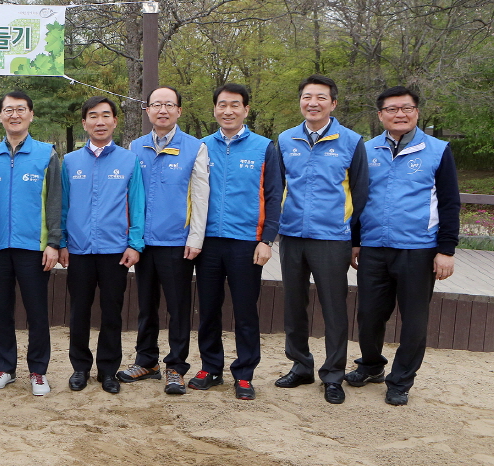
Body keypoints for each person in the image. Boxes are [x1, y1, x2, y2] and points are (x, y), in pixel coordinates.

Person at [346, 86, 460, 406]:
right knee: (368, 314)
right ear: (381, 115)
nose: (401, 114)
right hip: (373, 247)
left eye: (407, 108)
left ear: (417, 112)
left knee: (413, 319)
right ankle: (370, 366)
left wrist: (446, 250)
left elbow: (450, 203)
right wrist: (355, 242)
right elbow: (357, 199)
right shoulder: (366, 150)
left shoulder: (438, 150)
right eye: (393, 109)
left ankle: (401, 381)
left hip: (418, 249)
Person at [275, 74, 368, 405]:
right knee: (293, 306)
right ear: (300, 101)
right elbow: (275, 189)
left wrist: (356, 240)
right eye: (306, 97)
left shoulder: (352, 142)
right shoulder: (285, 140)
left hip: (333, 238)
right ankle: (300, 366)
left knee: (333, 308)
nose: (312, 103)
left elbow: (361, 194)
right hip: (291, 236)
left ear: (333, 103)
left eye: (320, 98)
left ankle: (333, 375)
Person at [190, 83, 282, 400]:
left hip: (247, 243)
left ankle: (244, 374)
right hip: (209, 243)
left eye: (235, 105)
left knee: (245, 312)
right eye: (222, 105)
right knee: (208, 309)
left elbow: (274, 197)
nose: (228, 111)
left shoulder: (265, 147)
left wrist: (267, 239)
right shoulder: (201, 147)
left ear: (246, 110)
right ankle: (210, 368)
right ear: (214, 109)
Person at [122, 86, 209, 396]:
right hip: (143, 242)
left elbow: (200, 196)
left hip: (177, 241)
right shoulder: (135, 147)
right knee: (146, 306)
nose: (162, 110)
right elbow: (129, 195)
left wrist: (195, 237)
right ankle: (147, 361)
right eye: (156, 104)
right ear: (147, 110)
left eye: (169, 105)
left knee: (178, 307)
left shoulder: (195, 147)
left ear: (178, 111)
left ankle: (176, 366)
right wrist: (131, 238)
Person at [60, 96, 145, 394]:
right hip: (79, 251)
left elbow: (137, 204)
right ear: (84, 123)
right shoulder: (70, 162)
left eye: (106, 115)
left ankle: (108, 371)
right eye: (93, 116)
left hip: (115, 252)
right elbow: (63, 205)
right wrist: (61, 243)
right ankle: (80, 368)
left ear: (114, 121)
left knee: (112, 312)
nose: (100, 121)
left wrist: (135, 244)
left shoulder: (129, 160)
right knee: (79, 312)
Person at [0, 90, 61, 396]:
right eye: (8, 110)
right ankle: (5, 367)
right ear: (1, 115)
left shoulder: (46, 154)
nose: (14, 115)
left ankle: (38, 371)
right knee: (1, 309)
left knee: (37, 312)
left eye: (20, 109)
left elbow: (55, 201)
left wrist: (54, 241)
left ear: (31, 115)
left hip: (34, 247)